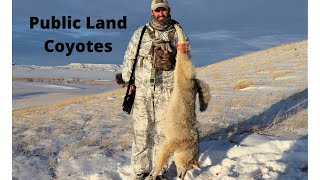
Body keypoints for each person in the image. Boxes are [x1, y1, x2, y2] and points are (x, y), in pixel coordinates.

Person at [121, 0, 190, 179]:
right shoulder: (140, 33)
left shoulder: (178, 34)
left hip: (167, 91)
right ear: (152, 12)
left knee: (163, 133)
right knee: (141, 132)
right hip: (143, 91)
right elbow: (130, 57)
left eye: (163, 10)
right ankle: (140, 171)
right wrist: (129, 83)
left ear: (169, 10)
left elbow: (185, 61)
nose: (160, 13)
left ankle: (160, 171)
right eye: (157, 10)